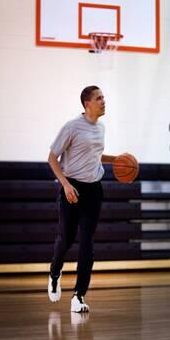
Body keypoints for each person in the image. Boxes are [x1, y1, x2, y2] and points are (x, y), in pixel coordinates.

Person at [47, 85, 117, 313]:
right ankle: (55, 272)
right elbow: (51, 157)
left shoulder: (101, 128)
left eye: (104, 97)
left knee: (87, 241)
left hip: (93, 190)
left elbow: (95, 156)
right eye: (99, 98)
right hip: (72, 188)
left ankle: (79, 295)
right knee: (66, 239)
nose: (104, 101)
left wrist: (118, 159)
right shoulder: (71, 127)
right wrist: (65, 185)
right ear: (87, 103)